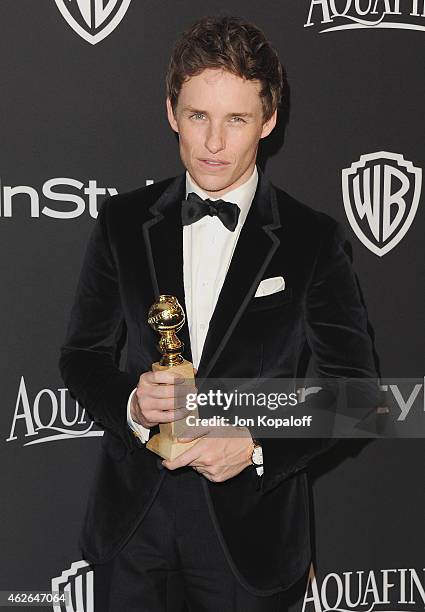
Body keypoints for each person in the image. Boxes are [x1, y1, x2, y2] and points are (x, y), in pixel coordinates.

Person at [59, 15, 379, 612]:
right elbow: (81, 357)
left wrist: (257, 444)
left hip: (251, 536)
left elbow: (359, 396)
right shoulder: (122, 225)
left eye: (236, 119)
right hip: (132, 527)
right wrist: (131, 403)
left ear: (269, 120)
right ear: (171, 112)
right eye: (198, 116)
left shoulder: (313, 240)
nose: (213, 143)